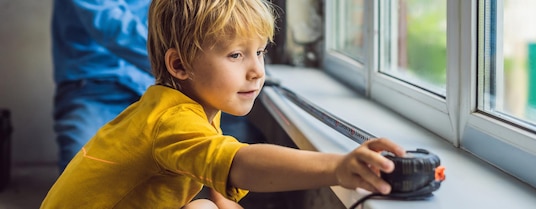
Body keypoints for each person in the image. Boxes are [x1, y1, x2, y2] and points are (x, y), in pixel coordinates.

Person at [41, 0, 406, 208]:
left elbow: (219, 181)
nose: (257, 72)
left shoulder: (184, 108)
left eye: (260, 52)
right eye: (236, 55)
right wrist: (338, 167)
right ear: (179, 65)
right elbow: (239, 163)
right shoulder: (171, 121)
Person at [51, 0, 154, 172]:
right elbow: (110, 23)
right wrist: (180, 62)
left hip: (152, 87)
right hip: (91, 89)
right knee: (81, 174)